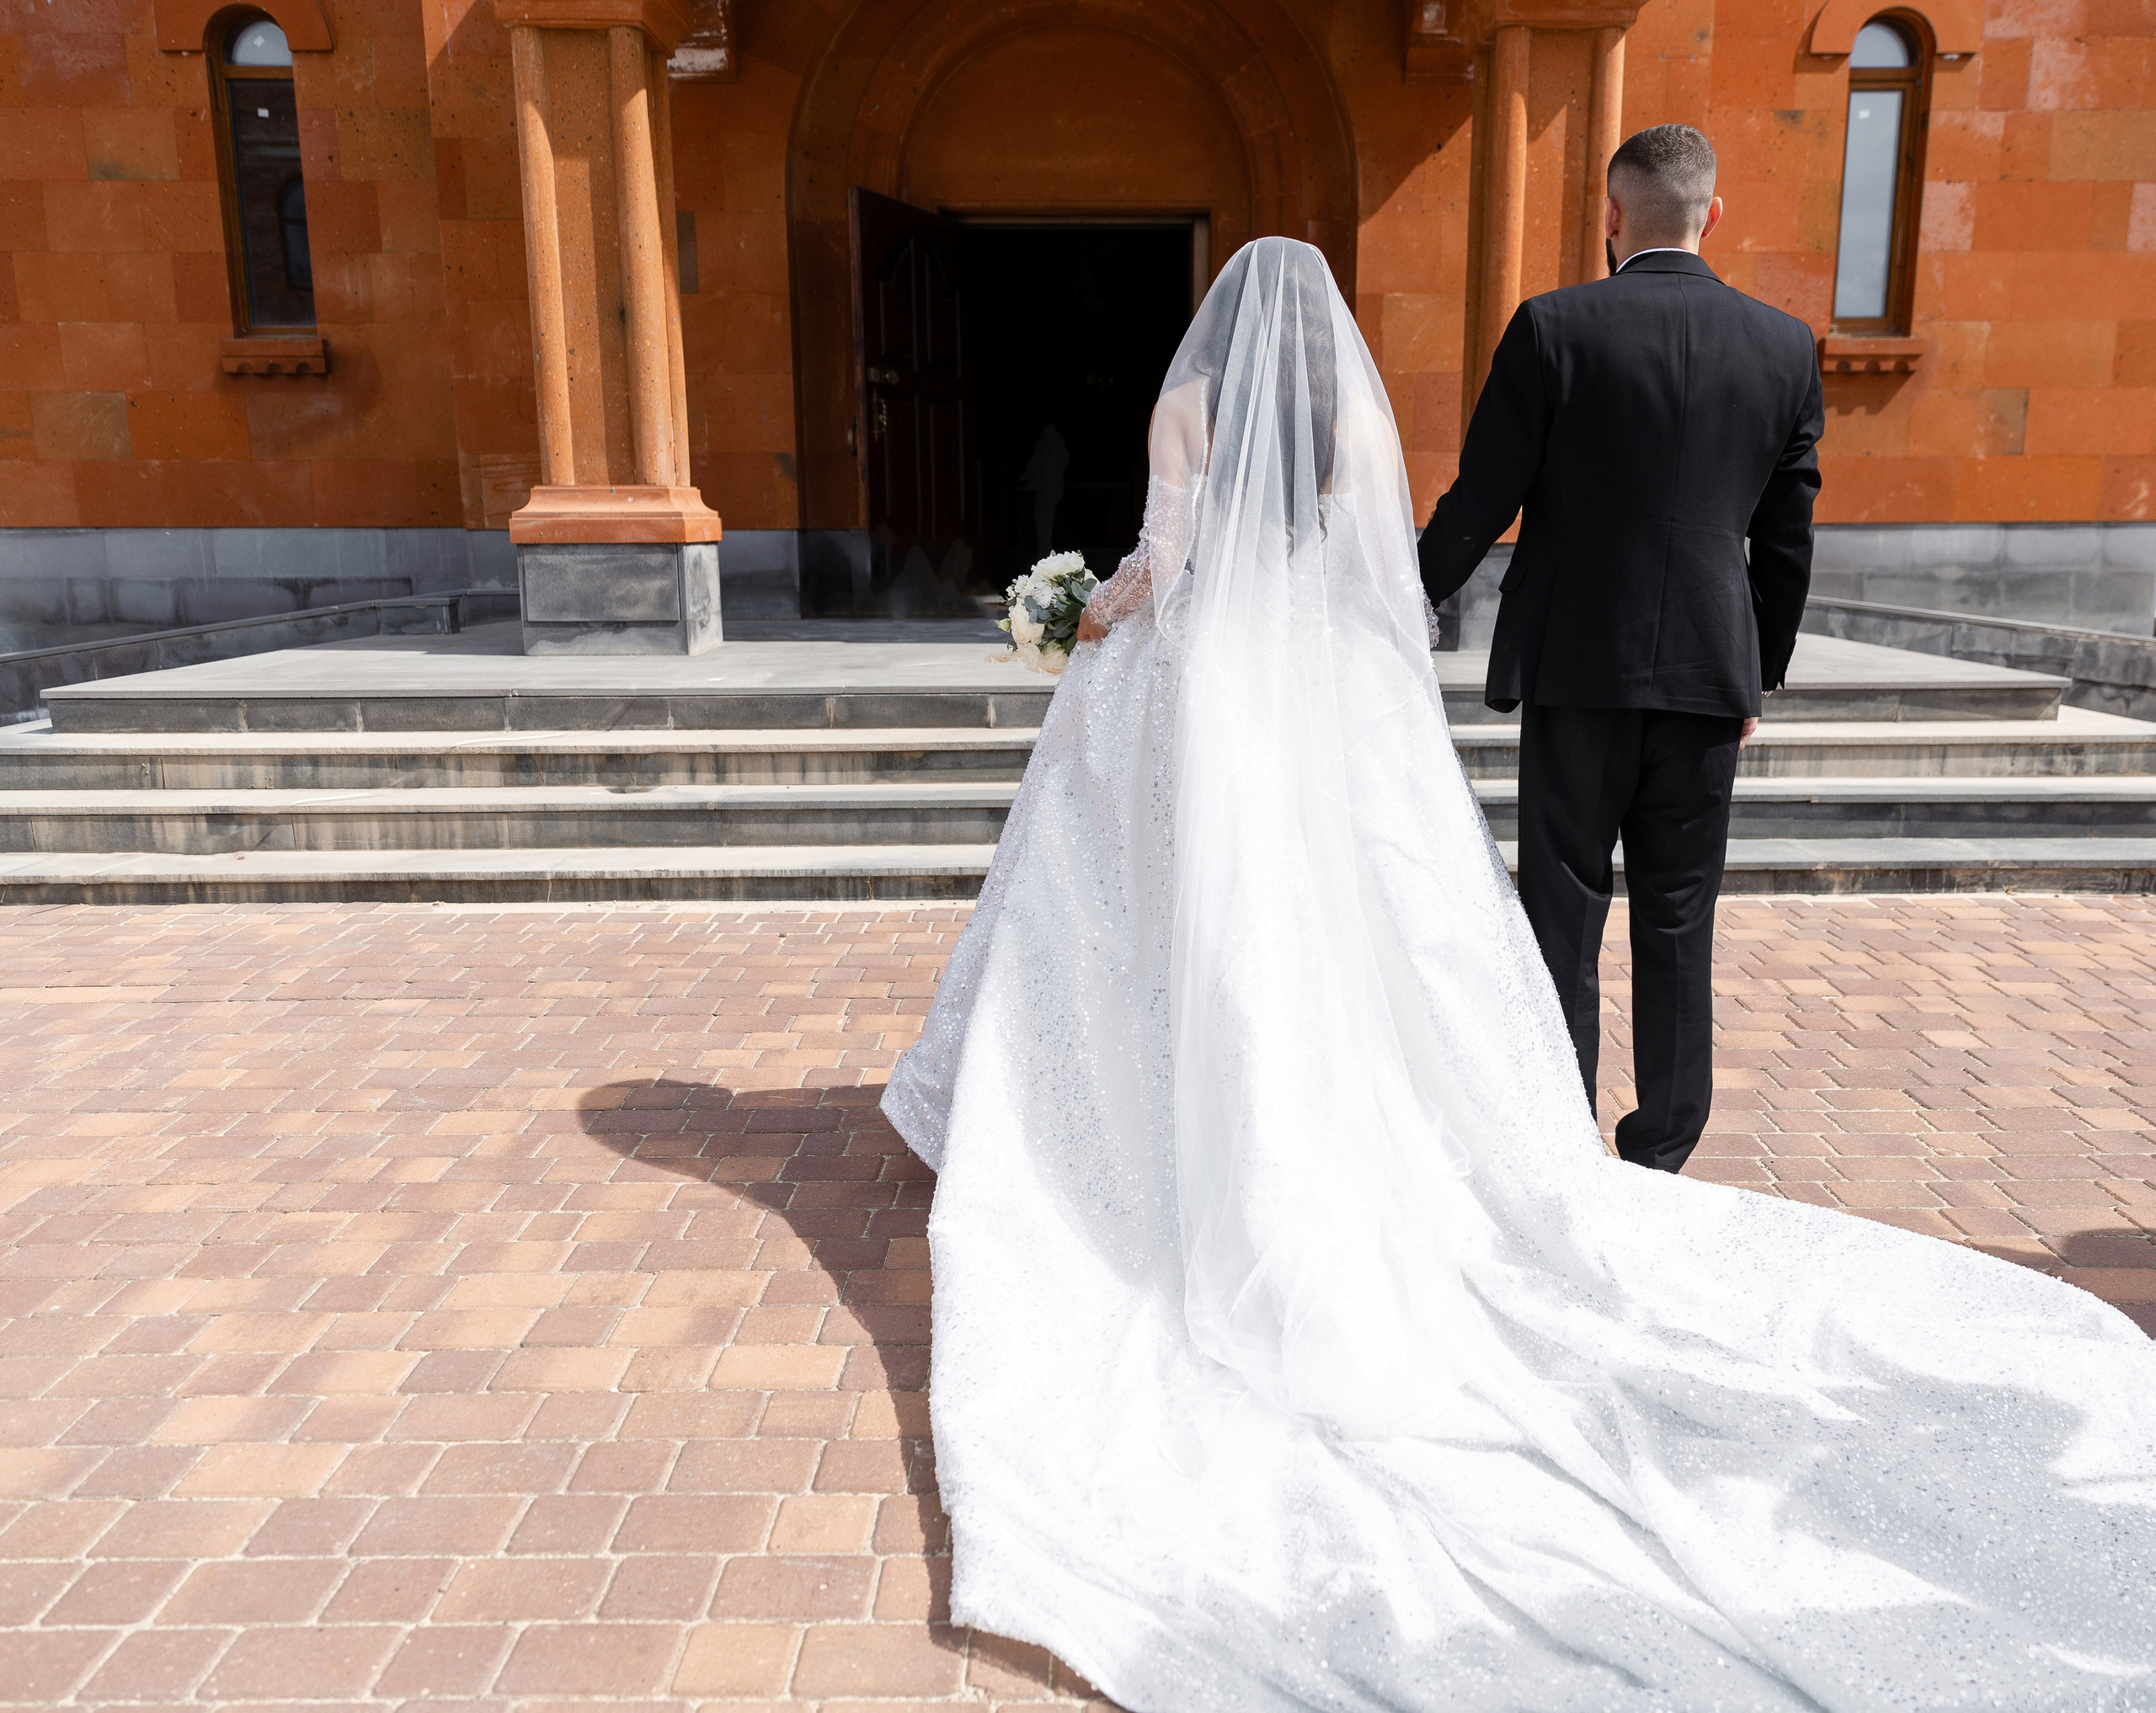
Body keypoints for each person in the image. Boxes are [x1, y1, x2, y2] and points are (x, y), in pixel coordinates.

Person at [883, 235, 2156, 1711]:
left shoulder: (1200, 406)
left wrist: (1080, 610)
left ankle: (1179, 1115)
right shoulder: (1361, 416)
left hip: (1220, 691)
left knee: (1210, 923)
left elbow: (1173, 565)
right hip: (1355, 701)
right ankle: (1627, 1131)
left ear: (1220, 325)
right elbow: (1389, 576)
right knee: (1495, 923)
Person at [1419, 125, 1822, 1175]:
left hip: (1575, 673)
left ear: (1611, 215)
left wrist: (1396, 599)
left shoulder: (1554, 327)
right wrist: (1755, 675)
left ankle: (1559, 1134)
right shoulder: (1783, 346)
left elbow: (1480, 503)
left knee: (1562, 909)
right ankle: (1659, 1150)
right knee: (1680, 919)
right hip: (1704, 682)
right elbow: (1785, 541)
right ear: (1711, 213)